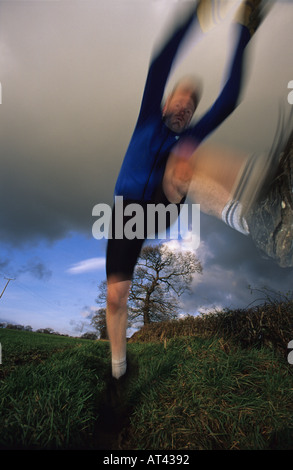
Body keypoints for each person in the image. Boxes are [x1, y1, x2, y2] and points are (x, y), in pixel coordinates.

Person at [105, 0, 263, 383]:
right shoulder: (147, 118)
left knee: (185, 156)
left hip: (164, 202)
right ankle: (118, 369)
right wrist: (201, 12)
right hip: (126, 211)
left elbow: (228, 100)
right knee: (116, 297)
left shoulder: (186, 137)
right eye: (181, 99)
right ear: (165, 101)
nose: (185, 107)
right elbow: (162, 59)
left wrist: (243, 31)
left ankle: (249, 212)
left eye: (191, 105)